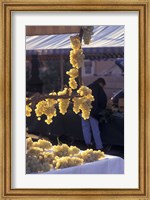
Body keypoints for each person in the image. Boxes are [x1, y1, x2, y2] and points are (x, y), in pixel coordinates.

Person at [81, 77, 107, 150]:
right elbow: (103, 100)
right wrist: (101, 109)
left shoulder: (87, 87)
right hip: (94, 112)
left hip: (84, 111)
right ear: (101, 83)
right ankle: (99, 146)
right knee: (95, 130)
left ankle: (88, 144)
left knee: (85, 128)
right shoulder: (99, 88)